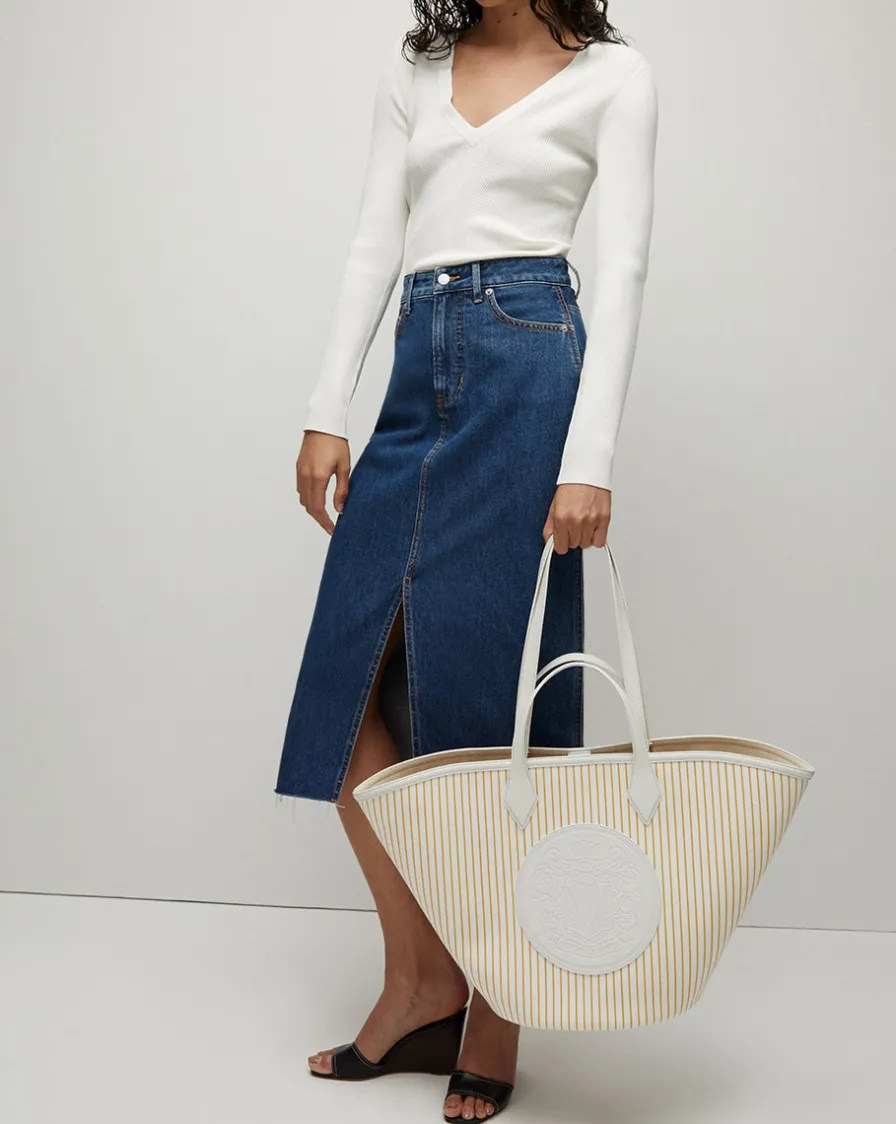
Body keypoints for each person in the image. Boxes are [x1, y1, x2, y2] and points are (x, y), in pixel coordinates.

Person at [275, 1, 658, 1118]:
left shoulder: (615, 75)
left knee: (486, 703)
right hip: (417, 362)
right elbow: (374, 235)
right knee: (343, 695)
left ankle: (497, 1001)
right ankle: (421, 979)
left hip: (530, 362)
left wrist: (588, 458)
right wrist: (327, 407)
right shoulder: (417, 67)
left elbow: (625, 267)